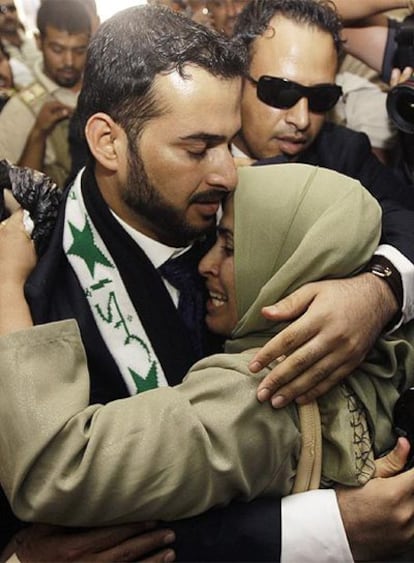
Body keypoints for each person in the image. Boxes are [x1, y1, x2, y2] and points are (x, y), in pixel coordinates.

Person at [2, 2, 414, 561]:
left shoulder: (251, 222)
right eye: (197, 148)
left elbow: (395, 216)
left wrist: (377, 288)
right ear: (108, 143)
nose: (228, 173)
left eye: (230, 141)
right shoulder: (24, 304)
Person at [0, 0, 91, 188]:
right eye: (57, 49)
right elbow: (14, 198)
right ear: (38, 42)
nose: (69, 61)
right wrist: (38, 134)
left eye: (79, 50)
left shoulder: (107, 89)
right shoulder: (19, 110)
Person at [0, 0, 38, 79]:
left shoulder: (36, 42)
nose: (8, 15)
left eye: (11, 8)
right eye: (1, 10)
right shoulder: (2, 57)